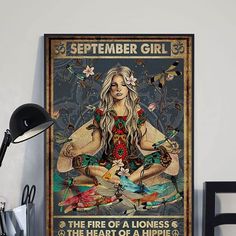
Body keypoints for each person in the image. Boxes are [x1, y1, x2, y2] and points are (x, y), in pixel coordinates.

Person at [57, 66, 179, 185]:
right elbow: (95, 144)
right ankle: (116, 180)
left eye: (123, 84)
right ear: (109, 88)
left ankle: (128, 180)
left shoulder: (137, 113)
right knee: (78, 161)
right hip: (106, 166)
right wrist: (78, 151)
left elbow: (143, 144)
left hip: (133, 167)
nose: (118, 89)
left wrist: (163, 147)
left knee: (164, 157)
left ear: (129, 87)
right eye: (114, 85)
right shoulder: (101, 113)